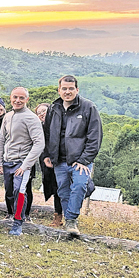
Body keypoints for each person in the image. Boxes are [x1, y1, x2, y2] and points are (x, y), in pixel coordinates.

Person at [43, 75, 102, 236]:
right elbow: (47, 133)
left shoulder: (88, 107)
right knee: (63, 191)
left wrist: (84, 159)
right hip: (59, 160)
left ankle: (71, 220)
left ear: (77, 89)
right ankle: (70, 221)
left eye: (71, 88)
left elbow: (95, 136)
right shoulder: (53, 108)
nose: (67, 92)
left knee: (80, 186)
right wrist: (47, 154)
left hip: (80, 160)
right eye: (64, 88)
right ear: (59, 90)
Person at [0, 87, 45, 236]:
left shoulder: (31, 118)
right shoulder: (8, 116)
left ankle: (18, 223)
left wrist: (25, 166)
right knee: (9, 192)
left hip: (21, 162)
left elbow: (39, 143)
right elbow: (1, 140)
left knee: (20, 191)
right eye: (15, 97)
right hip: (7, 161)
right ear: (11, 98)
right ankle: (12, 216)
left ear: (27, 100)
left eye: (21, 98)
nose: (18, 100)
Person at [35, 103, 62, 227]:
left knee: (61, 188)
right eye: (39, 113)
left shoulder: (59, 124)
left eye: (44, 111)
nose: (42, 114)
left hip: (61, 159)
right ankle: (58, 216)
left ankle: (65, 216)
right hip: (46, 161)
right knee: (54, 188)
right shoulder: (38, 128)